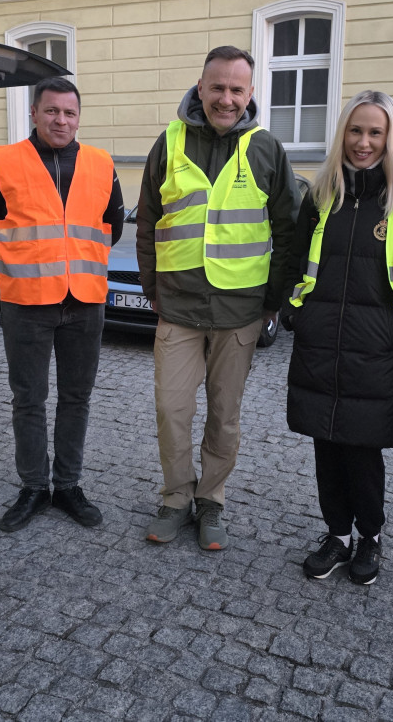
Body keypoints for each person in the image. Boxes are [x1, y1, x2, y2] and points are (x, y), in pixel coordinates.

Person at [136, 46, 298, 550]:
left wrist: (272, 301)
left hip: (240, 311)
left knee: (224, 416)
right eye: (217, 87)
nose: (226, 99)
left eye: (236, 89)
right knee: (172, 411)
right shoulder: (169, 142)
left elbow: (288, 231)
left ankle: (211, 501)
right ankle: (175, 499)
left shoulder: (267, 148)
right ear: (200, 87)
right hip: (178, 306)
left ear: (250, 94)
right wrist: (152, 288)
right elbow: (148, 221)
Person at [283, 90, 393, 586]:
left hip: (377, 350)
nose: (364, 142)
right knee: (326, 447)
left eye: (376, 132)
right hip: (320, 346)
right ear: (342, 134)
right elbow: (294, 261)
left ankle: (369, 536)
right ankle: (337, 535)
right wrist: (294, 314)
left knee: (362, 451)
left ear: (390, 137)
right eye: (356, 130)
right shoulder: (321, 196)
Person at [0, 77, 124, 534]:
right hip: (26, 303)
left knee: (77, 398)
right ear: (33, 113)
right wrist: (19, 264)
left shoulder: (101, 163)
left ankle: (68, 485)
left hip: (85, 303)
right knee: (29, 399)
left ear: (79, 117)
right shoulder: (1, 163)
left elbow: (113, 224)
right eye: (51, 111)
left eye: (69, 112)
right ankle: (34, 486)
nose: (61, 120)